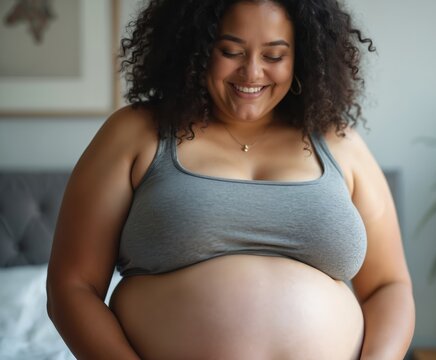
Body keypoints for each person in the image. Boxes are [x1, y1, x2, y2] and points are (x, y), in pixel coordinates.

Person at [46, 0, 415, 359]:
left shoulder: (341, 143)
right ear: (197, 47)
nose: (252, 72)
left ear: (300, 58)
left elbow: (388, 286)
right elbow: (72, 286)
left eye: (274, 56)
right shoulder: (135, 132)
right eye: (231, 51)